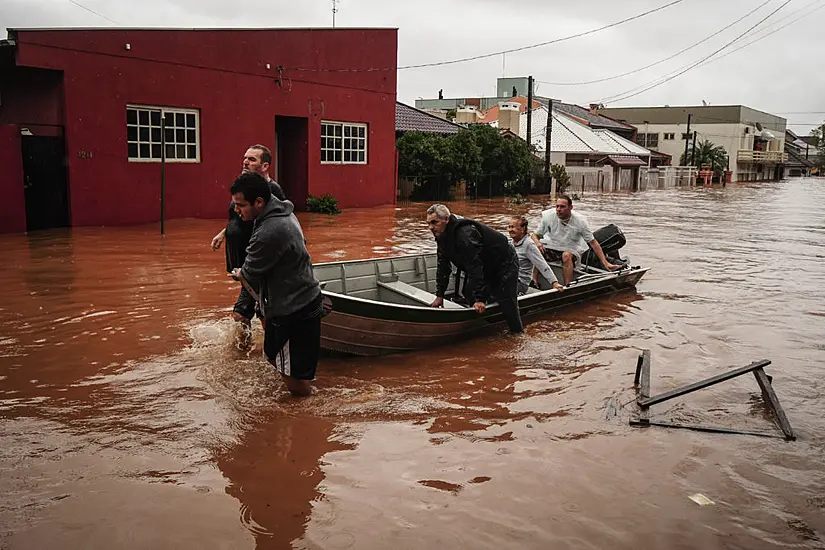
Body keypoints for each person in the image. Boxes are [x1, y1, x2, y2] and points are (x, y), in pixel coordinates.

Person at [228, 172, 322, 398]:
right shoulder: (282, 212)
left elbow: (249, 272)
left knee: (294, 381)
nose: (236, 210)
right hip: (300, 299)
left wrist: (240, 273)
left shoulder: (270, 231)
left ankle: (306, 415)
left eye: (241, 205)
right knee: (276, 357)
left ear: (259, 202)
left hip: (293, 309)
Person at [211, 145, 286, 328]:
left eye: (252, 159)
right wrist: (224, 233)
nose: (245, 162)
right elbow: (239, 215)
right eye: (245, 158)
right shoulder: (244, 185)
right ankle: (265, 347)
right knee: (261, 305)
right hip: (245, 261)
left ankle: (251, 353)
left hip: (257, 261)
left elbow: (278, 224)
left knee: (241, 314)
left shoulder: (271, 191)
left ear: (265, 166)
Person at [426, 204, 523, 333]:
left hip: (504, 262)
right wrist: (440, 295)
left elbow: (476, 266)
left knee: (505, 299)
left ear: (447, 219)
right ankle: (484, 326)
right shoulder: (441, 235)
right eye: (428, 223)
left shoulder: (465, 234)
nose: (431, 227)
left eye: (434, 222)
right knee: (468, 292)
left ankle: (517, 334)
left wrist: (480, 299)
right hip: (485, 265)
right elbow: (443, 266)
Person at [531, 194, 620, 285]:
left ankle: (568, 285)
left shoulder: (580, 221)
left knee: (566, 256)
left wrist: (605, 263)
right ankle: (534, 279)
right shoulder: (548, 216)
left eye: (562, 207)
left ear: (571, 208)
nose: (558, 209)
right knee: (537, 249)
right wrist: (537, 243)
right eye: (557, 206)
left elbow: (593, 243)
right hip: (552, 245)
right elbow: (534, 235)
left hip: (571, 248)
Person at [507, 216, 564, 295]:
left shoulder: (529, 245)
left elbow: (542, 264)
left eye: (513, 227)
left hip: (520, 283)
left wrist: (554, 283)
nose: (510, 230)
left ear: (523, 229)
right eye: (509, 227)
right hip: (509, 278)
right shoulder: (511, 243)